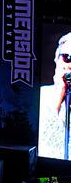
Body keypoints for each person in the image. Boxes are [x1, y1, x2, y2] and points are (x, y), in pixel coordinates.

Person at [39, 32, 71, 160]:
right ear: (56, 58)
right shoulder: (40, 96)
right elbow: (45, 148)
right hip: (46, 178)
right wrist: (60, 93)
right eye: (67, 57)